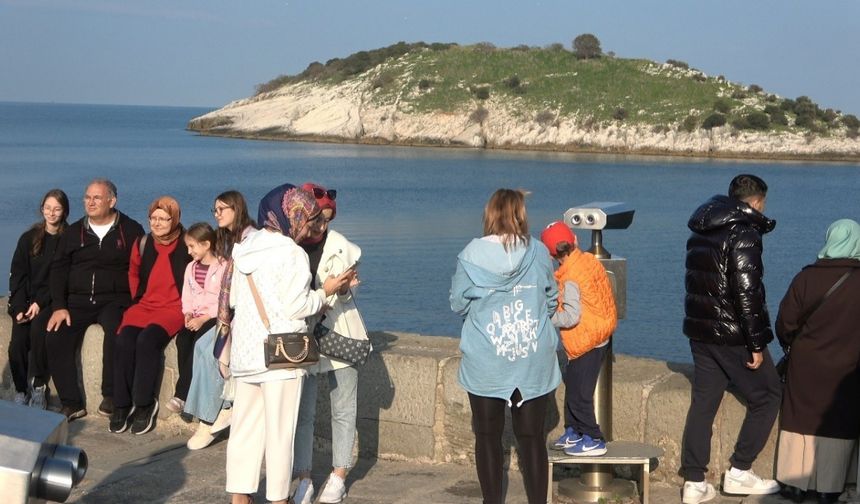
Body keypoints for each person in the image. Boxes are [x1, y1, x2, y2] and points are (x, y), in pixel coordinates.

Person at [224, 185, 351, 504]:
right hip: (281, 357)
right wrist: (326, 291)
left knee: (243, 431)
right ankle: (279, 498)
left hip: (246, 353)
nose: (309, 227)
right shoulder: (292, 253)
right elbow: (298, 306)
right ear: (291, 216)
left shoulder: (245, 246)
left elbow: (235, 299)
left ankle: (239, 497)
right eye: (307, 219)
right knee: (280, 433)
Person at [449, 188, 561, 504]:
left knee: (487, 436)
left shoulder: (470, 255)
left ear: (490, 214)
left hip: (487, 357)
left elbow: (458, 303)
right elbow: (551, 299)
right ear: (520, 215)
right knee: (533, 438)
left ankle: (492, 500)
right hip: (531, 358)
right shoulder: (539, 252)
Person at [680, 174, 781, 504]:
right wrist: (756, 343)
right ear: (755, 202)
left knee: (704, 403)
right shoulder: (744, 232)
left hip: (701, 332)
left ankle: (694, 482)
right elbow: (747, 292)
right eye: (763, 203)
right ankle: (740, 471)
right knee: (768, 394)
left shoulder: (701, 227)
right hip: (731, 335)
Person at [774, 219, 860, 504]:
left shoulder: (806, 278)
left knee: (800, 418)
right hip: (848, 367)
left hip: (806, 365)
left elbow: (785, 323)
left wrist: (794, 346)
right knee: (837, 421)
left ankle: (794, 484)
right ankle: (829, 486)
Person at [46, 178, 144, 420]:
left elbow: (142, 269)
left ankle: (110, 395)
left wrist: (136, 303)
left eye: (97, 197)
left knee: (116, 331)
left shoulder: (131, 230)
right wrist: (59, 306)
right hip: (77, 301)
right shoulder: (73, 232)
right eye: (87, 197)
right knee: (55, 336)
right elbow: (58, 270)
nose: (90, 202)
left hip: (114, 299)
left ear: (112, 201)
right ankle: (71, 402)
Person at [293, 183, 366, 504]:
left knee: (344, 407)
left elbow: (350, 296)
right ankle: (303, 476)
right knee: (302, 411)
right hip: (301, 336)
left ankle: (339, 475)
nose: (321, 226)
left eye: (326, 220)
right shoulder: (287, 246)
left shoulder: (345, 248)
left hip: (339, 333)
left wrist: (346, 288)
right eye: (316, 219)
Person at [182, 190, 257, 449]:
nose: (217, 215)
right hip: (229, 314)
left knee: (210, 350)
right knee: (204, 349)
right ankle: (211, 414)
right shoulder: (225, 239)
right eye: (215, 210)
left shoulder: (251, 237)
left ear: (236, 209)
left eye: (222, 209)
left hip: (245, 315)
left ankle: (216, 413)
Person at [109, 196, 190, 435]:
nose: (157, 223)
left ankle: (144, 404)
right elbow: (133, 272)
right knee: (123, 340)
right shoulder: (143, 243)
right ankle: (122, 405)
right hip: (145, 305)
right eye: (153, 218)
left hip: (174, 308)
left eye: (163, 218)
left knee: (147, 341)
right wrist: (137, 298)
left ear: (174, 219)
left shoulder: (187, 243)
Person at [541, 221, 617, 457]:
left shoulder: (570, 276)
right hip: (598, 333)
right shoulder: (587, 261)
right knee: (574, 387)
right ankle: (574, 431)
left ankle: (594, 438)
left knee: (579, 395)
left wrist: (546, 317)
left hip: (587, 341)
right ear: (574, 240)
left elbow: (572, 316)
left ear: (551, 255)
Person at [7, 189, 70, 408]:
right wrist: (18, 308)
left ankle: (38, 386)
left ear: (64, 211)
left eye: (57, 209)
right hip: (26, 300)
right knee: (17, 344)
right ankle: (21, 390)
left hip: (52, 300)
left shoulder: (67, 239)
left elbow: (61, 278)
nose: (52, 213)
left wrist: (39, 303)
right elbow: (18, 275)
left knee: (38, 333)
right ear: (42, 208)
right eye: (48, 208)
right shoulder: (29, 238)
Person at [166, 223, 223, 415]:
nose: (189, 251)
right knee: (183, 340)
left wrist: (204, 318)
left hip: (213, 317)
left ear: (206, 244)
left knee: (199, 344)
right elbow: (187, 293)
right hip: (195, 315)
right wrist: (188, 312)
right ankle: (188, 389)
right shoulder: (191, 267)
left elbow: (224, 298)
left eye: (192, 246)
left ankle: (181, 394)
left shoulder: (223, 267)